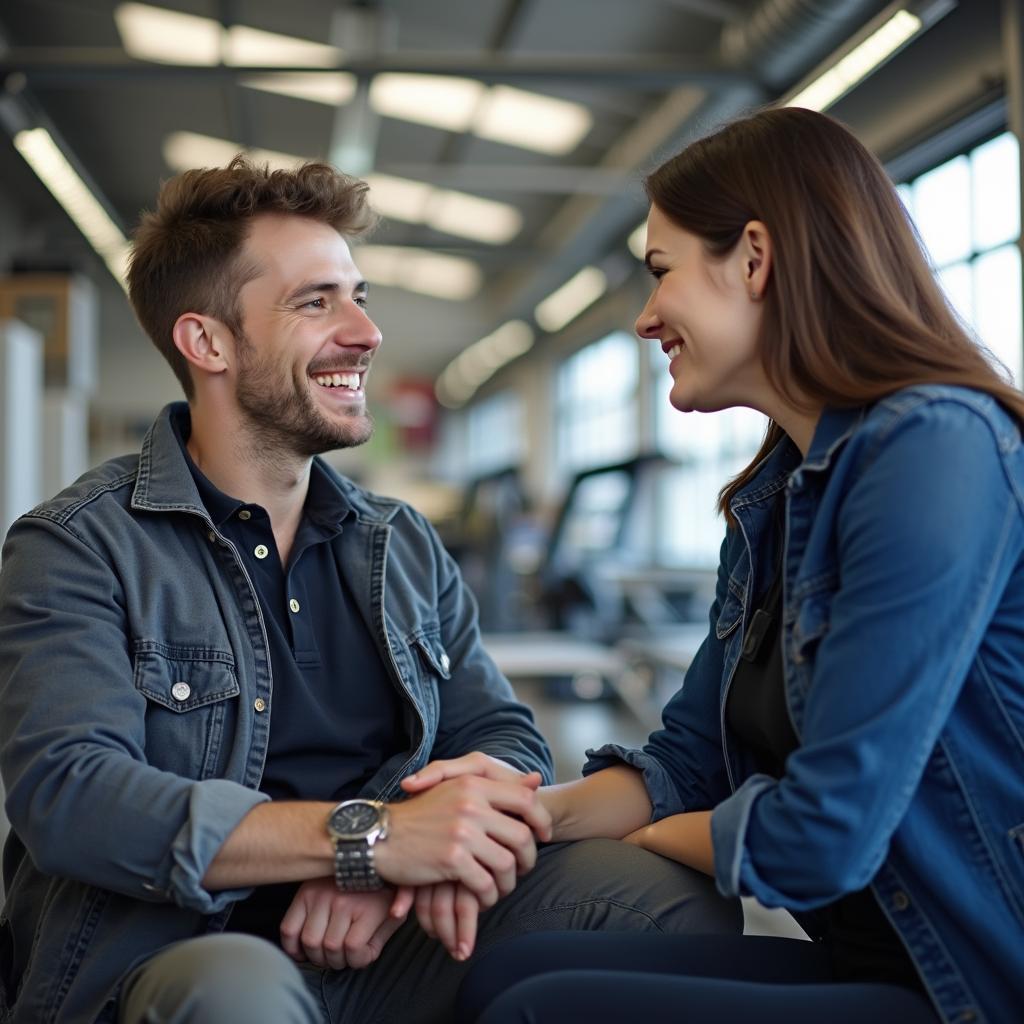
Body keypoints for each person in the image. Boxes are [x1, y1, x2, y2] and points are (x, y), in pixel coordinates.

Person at [0, 158, 740, 1024]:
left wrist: (386, 872)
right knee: (238, 995)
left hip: (386, 935)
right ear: (209, 344)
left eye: (360, 296)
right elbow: (74, 797)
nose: (365, 332)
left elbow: (500, 732)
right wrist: (367, 840)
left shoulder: (399, 541)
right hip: (181, 950)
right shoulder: (80, 545)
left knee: (670, 900)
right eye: (317, 302)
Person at [445, 107, 1024, 1024]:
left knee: (536, 1011)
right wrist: (509, 813)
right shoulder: (774, 497)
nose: (643, 318)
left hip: (970, 983)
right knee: (495, 980)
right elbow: (690, 760)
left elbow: (818, 841)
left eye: (661, 273)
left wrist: (656, 831)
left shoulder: (934, 449)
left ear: (754, 258)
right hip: (877, 959)